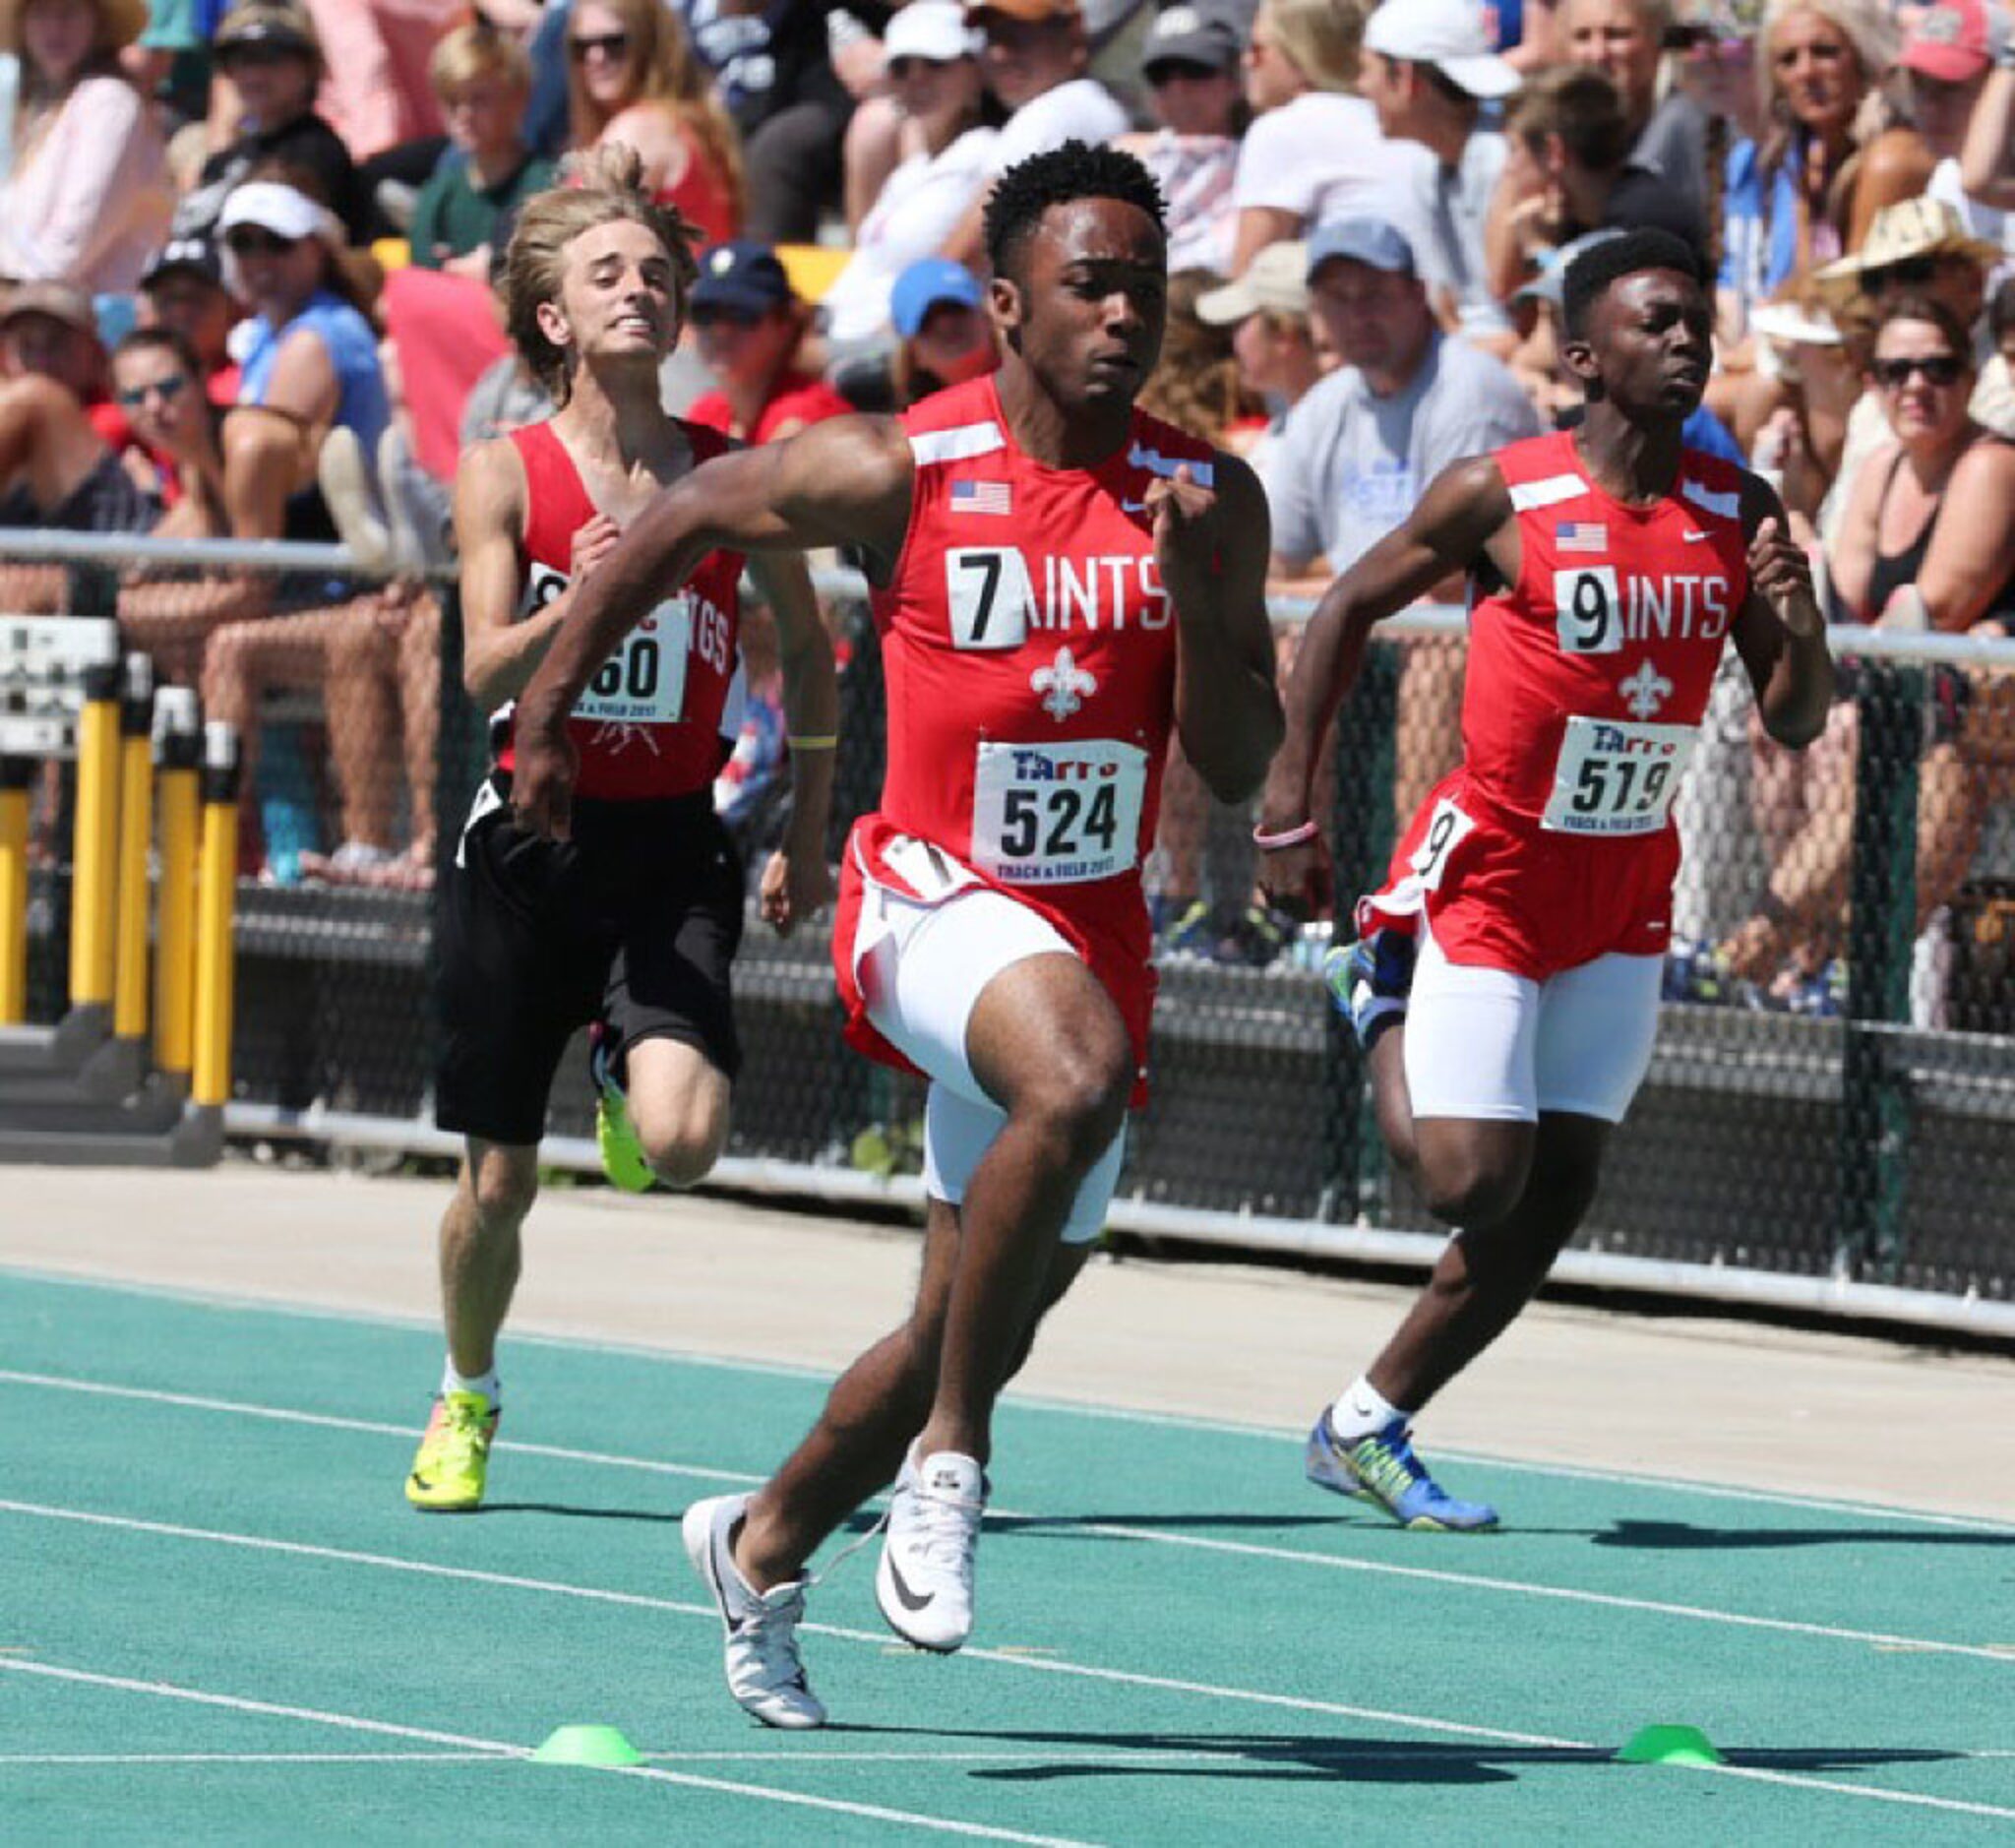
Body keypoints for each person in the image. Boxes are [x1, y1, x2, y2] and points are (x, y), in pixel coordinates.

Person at [509, 141, 1282, 1725]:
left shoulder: (1209, 494)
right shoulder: (902, 466)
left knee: (961, 1318)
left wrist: (1205, 596)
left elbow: (1236, 762)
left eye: (1146, 281)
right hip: (923, 893)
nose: (1125, 311)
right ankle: (954, 1470)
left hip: (1087, 929)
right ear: (1005, 304)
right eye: (1090, 283)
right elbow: (679, 521)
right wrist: (544, 708)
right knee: (1071, 1083)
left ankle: (760, 1534)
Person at [1255, 228, 1833, 1529]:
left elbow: (1798, 719)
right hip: (1497, 872)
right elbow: (1344, 609)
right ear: (1583, 355)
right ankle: (1376, 992)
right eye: (1657, 321)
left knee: (1554, 1197)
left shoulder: (1739, 510)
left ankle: (1366, 1422)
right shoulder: (1499, 494)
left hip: (1626, 886)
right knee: (1471, 1181)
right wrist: (1288, 802)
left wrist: (1797, 619)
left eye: (1699, 319)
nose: (1687, 338)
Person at [402, 148, 839, 1515]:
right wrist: (573, 602)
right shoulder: (504, 471)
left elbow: (815, 659)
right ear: (554, 318)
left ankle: (624, 1057)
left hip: (668, 840)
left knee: (687, 1137)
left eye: (657, 271)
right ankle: (467, 1385)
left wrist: (810, 825)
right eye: (608, 275)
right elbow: (482, 671)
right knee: (500, 1184)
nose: (640, 291)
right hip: (528, 846)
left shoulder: (729, 471)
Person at [1719, 296, 2015, 1010]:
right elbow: (1845, 601)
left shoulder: (1991, 466)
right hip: (1921, 698)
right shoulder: (1880, 465)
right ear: (1874, 385)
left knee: (1872, 740)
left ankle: (1754, 955)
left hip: (1978, 710)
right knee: (1781, 728)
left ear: (1970, 378)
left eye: (1939, 368)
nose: (1917, 386)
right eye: (1897, 370)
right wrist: (1787, 502)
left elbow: (1930, 611)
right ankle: (1816, 963)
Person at [1265, 217, 1539, 828]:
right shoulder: (1325, 405)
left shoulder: (1470, 391)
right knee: (1279, 651)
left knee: (1433, 668)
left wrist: (1328, 593)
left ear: (1418, 296)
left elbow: (1445, 579)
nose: (1356, 314)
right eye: (1337, 298)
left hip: (1466, 632)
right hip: (1375, 622)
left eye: (1375, 295)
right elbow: (1273, 563)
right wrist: (1328, 597)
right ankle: (1275, 897)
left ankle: (1410, 893)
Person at [820, 3, 997, 350]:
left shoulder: (986, 155)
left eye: (935, 64)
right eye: (901, 68)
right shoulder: (908, 174)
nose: (917, 80)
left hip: (893, 351)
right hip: (842, 334)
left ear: (975, 71)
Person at [1357, 0, 1520, 347]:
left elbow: (1520, 322)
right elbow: (1449, 309)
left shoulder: (1501, 158)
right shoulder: (1428, 167)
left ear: (1405, 77)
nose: (1361, 85)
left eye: (1366, 69)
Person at [938, 0, 1129, 269]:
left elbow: (967, 254)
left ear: (1073, 35)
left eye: (1017, 37)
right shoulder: (1078, 107)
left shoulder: (1059, 111)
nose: (998, 54)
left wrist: (907, 304)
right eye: (991, 38)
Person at [0, 0, 171, 292]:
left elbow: (69, 248)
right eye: (41, 13)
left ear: (98, 25)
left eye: (70, 12)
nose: (55, 28)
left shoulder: (110, 102)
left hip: (88, 316)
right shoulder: (38, 111)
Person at [566, 0, 743, 249]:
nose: (596, 57)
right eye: (581, 47)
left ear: (649, 46)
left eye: (614, 43)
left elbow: (574, 237)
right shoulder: (683, 121)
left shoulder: (640, 129)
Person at [407, 20, 557, 277]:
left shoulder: (547, 184)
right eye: (453, 101)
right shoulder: (439, 193)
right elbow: (422, 275)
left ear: (518, 98)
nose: (464, 114)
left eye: (480, 99)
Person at [684, 242, 855, 445]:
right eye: (705, 313)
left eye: (741, 315)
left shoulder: (806, 414)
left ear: (784, 325)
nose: (721, 330)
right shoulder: (708, 412)